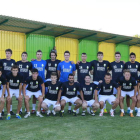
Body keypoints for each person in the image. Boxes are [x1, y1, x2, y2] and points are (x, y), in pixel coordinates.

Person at [0, 49, 15, 115]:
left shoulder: (13, 61)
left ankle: (10, 110)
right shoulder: (2, 61)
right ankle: (2, 110)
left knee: (9, 96)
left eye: (9, 53)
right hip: (3, 81)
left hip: (10, 81)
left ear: (11, 54)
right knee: (2, 95)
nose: (7, 54)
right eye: (6, 53)